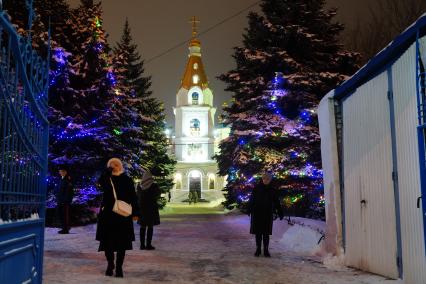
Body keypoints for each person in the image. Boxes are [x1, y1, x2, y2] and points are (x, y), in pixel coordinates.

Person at [96, 158, 138, 278]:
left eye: (117, 164)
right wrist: (106, 173)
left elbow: (133, 197)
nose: (114, 166)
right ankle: (110, 264)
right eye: (111, 164)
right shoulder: (106, 178)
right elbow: (99, 185)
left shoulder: (127, 179)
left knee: (122, 243)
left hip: (122, 216)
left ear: (121, 166)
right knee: (107, 243)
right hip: (108, 215)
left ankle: (119, 267)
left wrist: (136, 212)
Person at [248, 172, 283, 257]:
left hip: (267, 214)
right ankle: (258, 249)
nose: (265, 180)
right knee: (258, 233)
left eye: (267, 179)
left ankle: (266, 250)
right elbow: (252, 200)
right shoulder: (256, 189)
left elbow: (277, 202)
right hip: (257, 214)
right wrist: (249, 209)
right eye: (264, 179)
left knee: (266, 233)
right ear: (262, 179)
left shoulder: (272, 190)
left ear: (270, 180)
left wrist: (280, 212)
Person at [137, 169, 161, 250]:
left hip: (142, 209)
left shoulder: (139, 186)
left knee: (142, 227)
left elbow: (138, 196)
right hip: (151, 208)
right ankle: (148, 245)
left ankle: (142, 245)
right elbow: (157, 194)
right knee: (150, 227)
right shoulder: (154, 186)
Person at [56, 165, 74, 234]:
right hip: (60, 200)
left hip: (65, 201)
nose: (60, 173)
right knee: (61, 214)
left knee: (64, 215)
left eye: (61, 171)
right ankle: (64, 228)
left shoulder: (67, 180)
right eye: (59, 171)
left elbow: (69, 192)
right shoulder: (62, 179)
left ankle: (66, 229)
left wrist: (66, 201)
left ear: (65, 172)